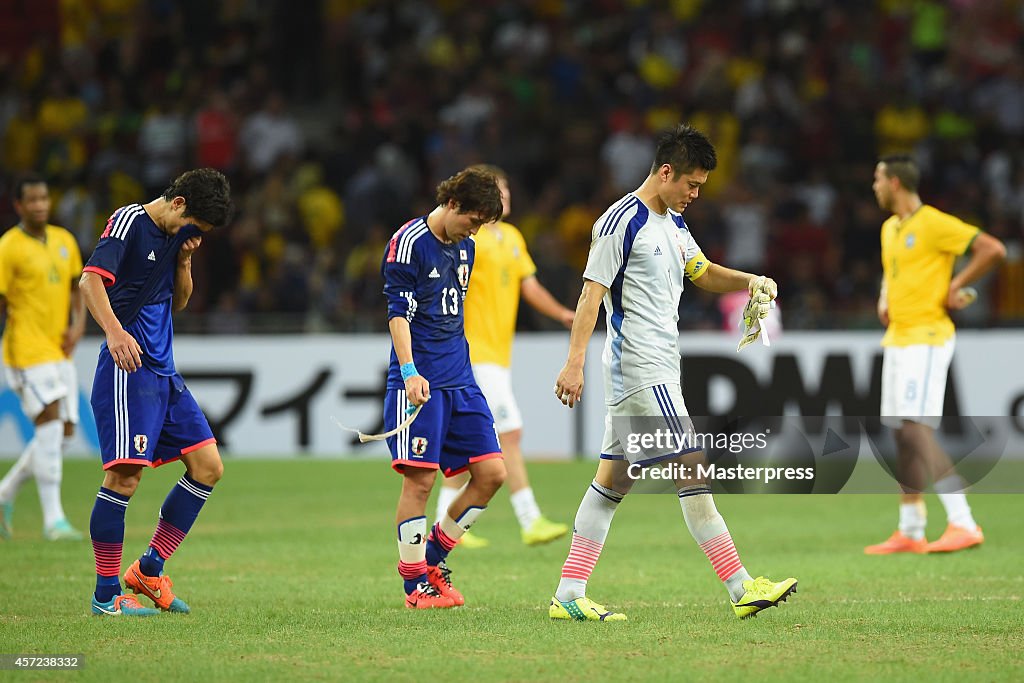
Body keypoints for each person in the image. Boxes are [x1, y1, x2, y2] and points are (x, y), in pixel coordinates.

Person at [548, 125, 798, 622]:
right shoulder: (621, 222)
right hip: (640, 366)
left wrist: (750, 280)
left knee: (612, 483)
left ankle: (569, 595)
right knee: (692, 464)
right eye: (692, 184)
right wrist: (573, 361)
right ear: (666, 173)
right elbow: (591, 294)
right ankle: (742, 587)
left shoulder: (674, 225)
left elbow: (702, 272)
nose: (695, 195)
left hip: (655, 365)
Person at [80, 168, 233, 616]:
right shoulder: (129, 221)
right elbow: (90, 280)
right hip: (129, 370)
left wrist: (184, 261)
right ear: (179, 203)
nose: (197, 236)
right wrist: (113, 333)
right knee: (124, 479)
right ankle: (106, 595)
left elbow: (180, 302)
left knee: (208, 466)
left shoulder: (175, 238)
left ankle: (149, 569)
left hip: (164, 374)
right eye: (197, 229)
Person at [865, 154, 1006, 555]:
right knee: (901, 433)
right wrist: (883, 298)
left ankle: (963, 521)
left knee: (914, 427)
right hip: (898, 336)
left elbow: (992, 249)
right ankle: (911, 528)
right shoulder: (890, 228)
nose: (873, 186)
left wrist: (955, 283)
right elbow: (892, 274)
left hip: (927, 336)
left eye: (877, 179)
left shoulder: (933, 223)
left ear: (895, 182)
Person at [382, 167, 507, 609]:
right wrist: (410, 369)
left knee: (493, 474)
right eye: (472, 220)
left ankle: (430, 559)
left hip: (461, 380)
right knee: (420, 481)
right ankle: (414, 586)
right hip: (419, 382)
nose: (473, 231)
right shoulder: (408, 242)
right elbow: (398, 313)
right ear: (452, 204)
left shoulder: (466, 246)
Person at [435, 164, 573, 548]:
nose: (506, 198)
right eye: (499, 192)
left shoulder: (511, 237)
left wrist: (561, 312)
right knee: (509, 434)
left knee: (468, 440)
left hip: (498, 354)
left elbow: (529, 286)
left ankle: (445, 522)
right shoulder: (469, 239)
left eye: (508, 191)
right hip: (473, 353)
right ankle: (530, 519)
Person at [0, 174, 86, 541]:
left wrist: (79, 325)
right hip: (24, 348)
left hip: (58, 348)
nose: (39, 205)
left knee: (63, 432)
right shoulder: (8, 247)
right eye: (31, 200)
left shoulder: (65, 240)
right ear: (18, 206)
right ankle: (54, 520)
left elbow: (77, 288)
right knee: (49, 421)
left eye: (43, 198)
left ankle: (4, 494)